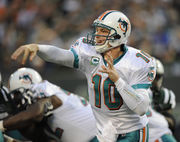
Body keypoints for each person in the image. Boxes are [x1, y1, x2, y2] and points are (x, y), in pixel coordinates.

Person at [11, 10, 156, 142]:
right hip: (105, 131)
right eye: (97, 30)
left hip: (132, 131)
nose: (97, 35)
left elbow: (141, 108)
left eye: (103, 31)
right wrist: (38, 48)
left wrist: (118, 80)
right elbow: (62, 56)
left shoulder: (138, 62)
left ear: (119, 34)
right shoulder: (89, 51)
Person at [0, 67, 96, 142]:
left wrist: (2, 125)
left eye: (17, 96)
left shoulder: (41, 88)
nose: (17, 103)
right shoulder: (49, 116)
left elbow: (36, 113)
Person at [147, 58, 177, 142]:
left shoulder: (166, 96)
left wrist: (157, 118)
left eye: (156, 77)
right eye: (150, 76)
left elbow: (172, 122)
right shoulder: (138, 91)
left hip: (157, 134)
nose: (153, 80)